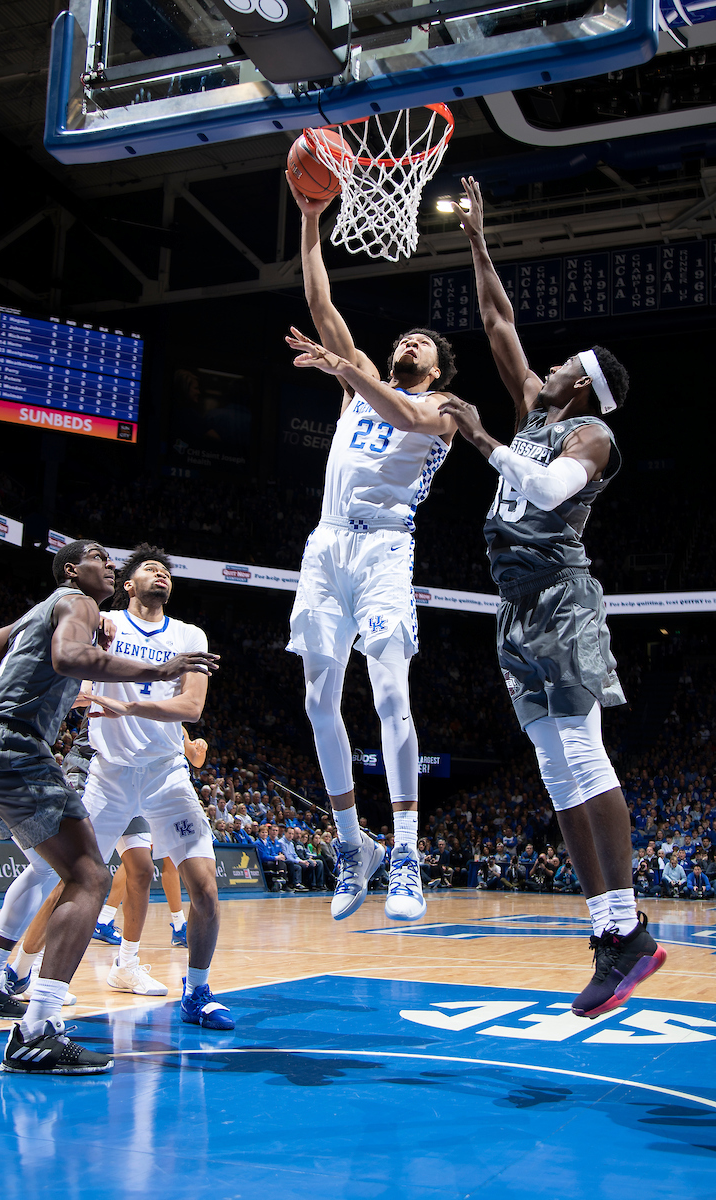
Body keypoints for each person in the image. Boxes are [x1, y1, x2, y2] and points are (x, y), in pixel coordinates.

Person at [439, 176, 666, 1019]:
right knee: (553, 770)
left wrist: (480, 438)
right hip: (515, 609)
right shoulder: (539, 411)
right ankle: (611, 933)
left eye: (566, 363)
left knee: (582, 752)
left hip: (563, 600)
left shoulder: (591, 433)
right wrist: (478, 241)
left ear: (582, 383)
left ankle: (630, 924)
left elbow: (543, 491)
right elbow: (499, 321)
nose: (552, 362)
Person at [0, 538, 218, 1075]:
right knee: (89, 877)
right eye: (99, 557)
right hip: (26, 749)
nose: (110, 563)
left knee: (57, 869)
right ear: (73, 570)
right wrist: (155, 670)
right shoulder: (80, 605)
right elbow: (67, 657)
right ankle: (37, 1028)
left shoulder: (44, 615)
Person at [284, 188, 459, 925]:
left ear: (438, 368)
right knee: (316, 702)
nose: (410, 342)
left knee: (390, 697)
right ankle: (354, 845)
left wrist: (344, 370)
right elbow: (321, 304)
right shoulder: (359, 380)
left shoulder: (444, 410)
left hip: (386, 547)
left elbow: (403, 412)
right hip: (327, 543)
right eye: (406, 337)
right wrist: (309, 219)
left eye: (423, 342)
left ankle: (409, 852)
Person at [74, 544, 233, 1029]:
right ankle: (25, 975)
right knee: (73, 880)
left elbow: (192, 708)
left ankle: (197, 991)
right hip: (111, 773)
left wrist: (127, 707)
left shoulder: (189, 635)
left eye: (166, 570)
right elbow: (73, 674)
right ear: (128, 584)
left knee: (204, 888)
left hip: (166, 775)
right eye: (150, 567)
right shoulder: (105, 624)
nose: (161, 573)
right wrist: (82, 690)